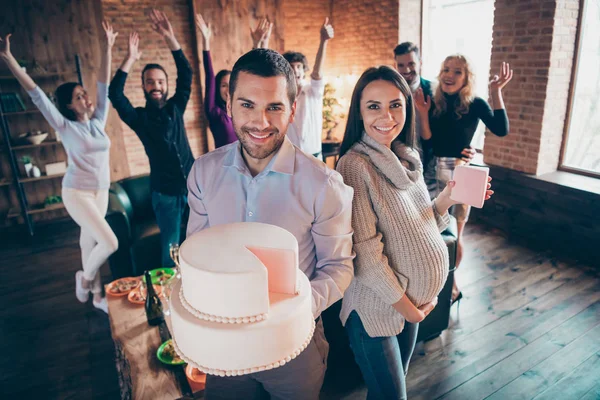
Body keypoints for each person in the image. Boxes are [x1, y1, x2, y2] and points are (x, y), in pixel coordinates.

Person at [186, 48, 355, 400]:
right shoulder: (202, 172)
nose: (260, 122)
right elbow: (197, 254)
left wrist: (291, 313)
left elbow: (338, 268)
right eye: (247, 105)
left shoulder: (325, 185)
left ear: (292, 109)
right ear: (228, 104)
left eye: (274, 107)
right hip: (225, 345)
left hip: (295, 347)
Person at [335, 65, 494, 400]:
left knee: (391, 388)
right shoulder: (354, 164)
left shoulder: (408, 158)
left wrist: (448, 198)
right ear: (359, 112)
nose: (387, 116)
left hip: (411, 306)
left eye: (395, 104)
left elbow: (424, 221)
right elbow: (365, 253)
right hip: (376, 309)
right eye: (373, 106)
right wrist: (410, 309)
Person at [0, 22, 120, 313]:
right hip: (77, 193)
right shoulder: (64, 126)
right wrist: (8, 58)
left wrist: (107, 46)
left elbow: (103, 85)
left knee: (88, 243)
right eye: (79, 96)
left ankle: (97, 297)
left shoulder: (96, 122)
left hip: (101, 191)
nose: (86, 98)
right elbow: (36, 94)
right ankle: (85, 277)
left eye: (84, 93)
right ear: (68, 105)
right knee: (110, 242)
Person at [414, 54, 512, 302]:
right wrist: (423, 113)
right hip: (431, 172)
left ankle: (451, 285)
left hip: (461, 174)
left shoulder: (476, 103)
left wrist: (495, 90)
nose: (449, 74)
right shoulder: (432, 101)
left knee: (455, 235)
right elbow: (428, 142)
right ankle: (431, 284)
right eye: (446, 69)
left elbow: (501, 129)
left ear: (467, 77)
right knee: (430, 232)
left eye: (457, 71)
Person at [109, 9, 193, 269]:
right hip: (165, 194)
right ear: (144, 87)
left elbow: (186, 73)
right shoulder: (139, 118)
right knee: (171, 247)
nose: (155, 86)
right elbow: (115, 94)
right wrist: (130, 59)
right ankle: (169, 296)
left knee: (201, 239)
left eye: (160, 81)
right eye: (150, 82)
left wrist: (171, 38)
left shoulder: (176, 107)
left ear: (166, 86)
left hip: (194, 188)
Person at [393, 42, 475, 196]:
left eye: (411, 63)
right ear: (395, 65)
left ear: (420, 63)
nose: (407, 70)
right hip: (397, 158)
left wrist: (465, 146)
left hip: (429, 163)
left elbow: (455, 124)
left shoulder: (437, 92)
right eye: (401, 65)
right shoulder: (390, 90)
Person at [195, 13, 273, 148]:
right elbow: (209, 76)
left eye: (230, 84)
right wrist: (206, 42)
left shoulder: (243, 109)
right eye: (223, 85)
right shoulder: (214, 113)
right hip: (226, 166)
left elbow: (254, 75)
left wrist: (256, 45)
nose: (228, 89)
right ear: (217, 89)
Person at [283, 18, 334, 160]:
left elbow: (317, 73)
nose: (295, 71)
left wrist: (324, 40)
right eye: (291, 67)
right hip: (289, 158)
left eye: (298, 66)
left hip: (314, 157)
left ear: (303, 69)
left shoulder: (313, 91)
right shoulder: (281, 95)